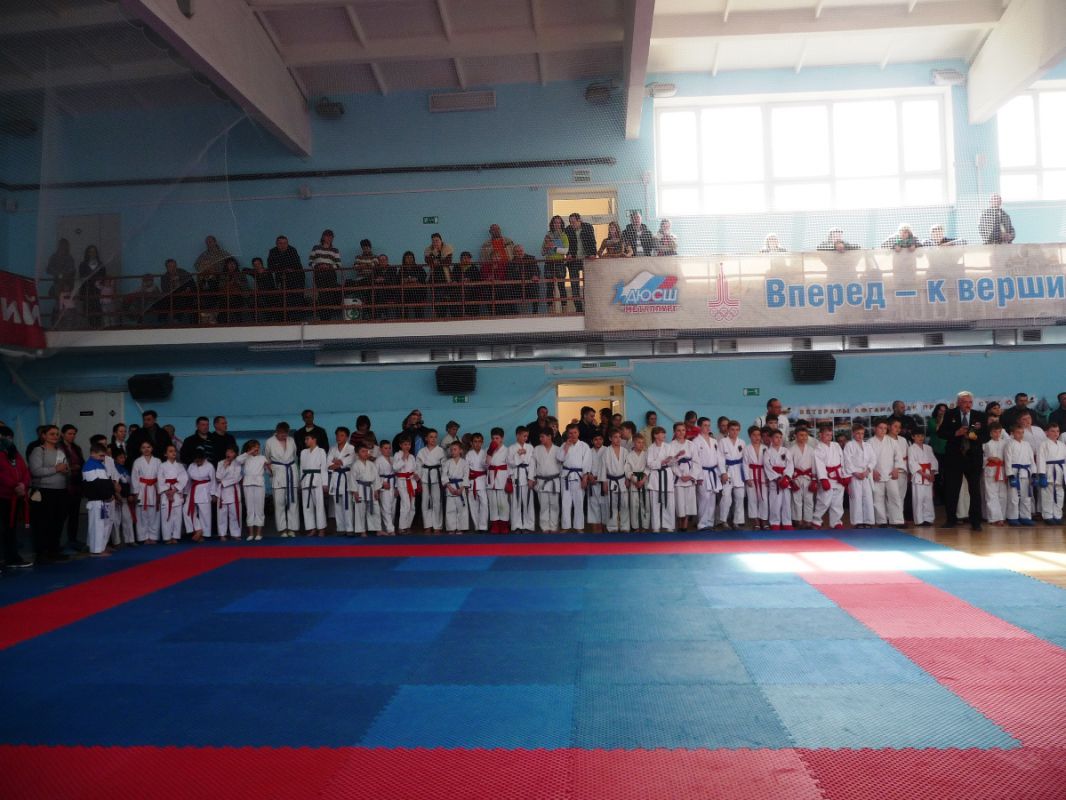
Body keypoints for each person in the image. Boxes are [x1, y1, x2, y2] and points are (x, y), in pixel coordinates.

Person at [938, 390, 987, 531]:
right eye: (965, 402)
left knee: (975, 490)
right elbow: (940, 433)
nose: (968, 405)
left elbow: (986, 436)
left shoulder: (979, 416)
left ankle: (975, 521)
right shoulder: (950, 414)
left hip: (973, 457)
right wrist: (956, 433)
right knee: (952, 489)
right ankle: (951, 519)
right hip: (954, 457)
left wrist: (975, 437)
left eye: (970, 402)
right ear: (958, 403)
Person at [0, 425, 33, 570]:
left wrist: (23, 485)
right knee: (3, 529)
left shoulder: (15, 453)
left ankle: (12, 558)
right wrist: (14, 485)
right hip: (3, 495)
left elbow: (25, 471)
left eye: (9, 437)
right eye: (3, 437)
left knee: (11, 529)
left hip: (15, 496)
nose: (7, 440)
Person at [265, 422, 300, 537]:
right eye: (281, 434)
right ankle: (282, 529)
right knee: (279, 503)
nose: (283, 436)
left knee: (292, 502)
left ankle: (292, 528)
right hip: (278, 473)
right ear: (277, 431)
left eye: (285, 434)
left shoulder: (291, 440)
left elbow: (294, 456)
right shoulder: (269, 442)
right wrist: (271, 472)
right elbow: (267, 459)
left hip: (290, 471)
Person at [82, 442, 116, 557]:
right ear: (92, 453)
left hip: (103, 500)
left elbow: (107, 483)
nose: (103, 458)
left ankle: (100, 548)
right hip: (96, 500)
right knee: (97, 525)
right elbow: (95, 485)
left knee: (103, 524)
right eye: (101, 455)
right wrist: (107, 495)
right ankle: (96, 550)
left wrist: (110, 494)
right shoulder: (89, 465)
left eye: (104, 456)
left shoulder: (100, 465)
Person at [869, 420, 904, 527]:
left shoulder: (892, 441)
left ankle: (897, 520)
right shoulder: (869, 442)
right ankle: (882, 521)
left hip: (890, 473)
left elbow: (898, 457)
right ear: (875, 428)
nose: (883, 430)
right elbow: (867, 459)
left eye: (885, 428)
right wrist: (872, 471)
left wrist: (896, 468)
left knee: (895, 496)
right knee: (878, 498)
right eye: (880, 428)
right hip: (877, 474)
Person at [812, 425, 847, 529]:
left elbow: (842, 460)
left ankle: (836, 522)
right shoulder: (818, 448)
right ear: (820, 435)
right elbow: (819, 464)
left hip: (838, 476)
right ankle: (816, 520)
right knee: (824, 501)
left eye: (830, 435)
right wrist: (823, 479)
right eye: (827, 435)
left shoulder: (836, 445)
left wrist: (844, 474)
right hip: (827, 477)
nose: (829, 437)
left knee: (837, 502)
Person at [693, 417, 723, 532]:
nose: (707, 427)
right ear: (699, 427)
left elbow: (719, 458)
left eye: (709, 425)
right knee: (703, 498)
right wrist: (698, 476)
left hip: (713, 472)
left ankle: (710, 522)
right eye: (705, 425)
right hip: (703, 472)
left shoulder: (714, 441)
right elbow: (695, 460)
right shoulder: (696, 441)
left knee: (712, 498)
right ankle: (702, 524)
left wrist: (721, 473)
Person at [58, 425, 85, 552]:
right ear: (63, 434)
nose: (72, 436)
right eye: (69, 433)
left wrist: (78, 468)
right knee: (61, 515)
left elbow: (82, 463)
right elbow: (58, 465)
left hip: (76, 483)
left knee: (74, 515)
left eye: (74, 434)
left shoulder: (76, 448)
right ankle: (56, 542)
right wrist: (72, 467)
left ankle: (73, 539)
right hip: (64, 484)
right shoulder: (58, 447)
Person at [843, 423, 875, 528]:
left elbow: (873, 459)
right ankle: (857, 522)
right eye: (858, 433)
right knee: (856, 498)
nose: (860, 436)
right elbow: (847, 461)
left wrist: (867, 470)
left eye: (862, 433)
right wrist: (856, 473)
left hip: (866, 474)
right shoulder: (849, 445)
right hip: (854, 475)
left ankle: (868, 521)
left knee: (868, 498)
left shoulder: (868, 446)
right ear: (853, 433)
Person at [646, 426, 676, 532]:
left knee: (669, 502)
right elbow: (649, 464)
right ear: (655, 435)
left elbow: (672, 462)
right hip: (655, 476)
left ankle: (669, 526)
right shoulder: (650, 448)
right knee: (655, 503)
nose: (664, 435)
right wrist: (662, 462)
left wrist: (672, 459)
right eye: (661, 433)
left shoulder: (668, 447)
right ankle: (656, 526)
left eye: (664, 433)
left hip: (667, 474)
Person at [130, 440, 161, 544]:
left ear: (152, 448)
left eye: (148, 447)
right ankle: (143, 537)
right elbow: (134, 478)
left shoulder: (157, 461)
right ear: (140, 449)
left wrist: (160, 491)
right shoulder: (137, 461)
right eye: (143, 447)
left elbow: (161, 477)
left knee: (154, 514)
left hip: (154, 488)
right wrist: (135, 492)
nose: (146, 449)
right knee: (141, 514)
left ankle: (153, 536)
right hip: (142, 489)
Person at [565, 212, 597, 313]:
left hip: (586, 260)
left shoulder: (588, 227)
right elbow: (566, 245)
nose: (572, 224)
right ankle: (579, 309)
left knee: (588, 285)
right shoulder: (568, 230)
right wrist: (568, 254)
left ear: (579, 220)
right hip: (573, 261)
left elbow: (592, 241)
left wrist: (593, 253)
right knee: (574, 286)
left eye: (573, 222)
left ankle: (589, 308)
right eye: (570, 222)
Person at [1004, 424, 1036, 526]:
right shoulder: (1009, 444)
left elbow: (1032, 460)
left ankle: (1025, 517)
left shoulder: (1027, 444)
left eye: (1022, 432)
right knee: (1013, 497)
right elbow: (1007, 461)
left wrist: (1034, 473)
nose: (1021, 435)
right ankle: (1012, 517)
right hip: (1014, 472)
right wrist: (1010, 475)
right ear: (1012, 433)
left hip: (1026, 472)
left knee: (1026, 497)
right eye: (1018, 432)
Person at [763, 428, 794, 530]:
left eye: (780, 437)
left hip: (785, 479)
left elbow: (790, 465)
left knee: (786, 501)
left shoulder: (786, 450)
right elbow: (767, 466)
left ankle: (787, 522)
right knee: (775, 502)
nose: (779, 439)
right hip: (775, 480)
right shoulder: (767, 452)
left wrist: (786, 477)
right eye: (776, 437)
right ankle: (774, 522)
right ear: (771, 439)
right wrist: (777, 478)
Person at [267, 235, 304, 320]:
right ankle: (283, 320)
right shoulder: (273, 252)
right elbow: (271, 266)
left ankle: (295, 320)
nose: (283, 245)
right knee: (282, 301)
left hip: (295, 281)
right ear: (276, 244)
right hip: (280, 281)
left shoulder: (292, 250)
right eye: (280, 243)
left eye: (285, 243)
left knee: (295, 302)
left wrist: (283, 267)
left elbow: (296, 265)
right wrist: (283, 269)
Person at [327, 427, 355, 537]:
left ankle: (349, 528)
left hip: (346, 477)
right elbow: (328, 464)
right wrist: (338, 463)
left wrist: (338, 462)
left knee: (347, 504)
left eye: (342, 435)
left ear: (347, 437)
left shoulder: (351, 448)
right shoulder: (332, 448)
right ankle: (340, 528)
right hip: (336, 477)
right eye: (337, 435)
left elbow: (349, 461)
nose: (339, 437)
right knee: (337, 504)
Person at [718, 420, 746, 529]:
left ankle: (737, 521)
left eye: (737, 430)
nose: (735, 432)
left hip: (739, 471)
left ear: (739, 430)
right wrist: (723, 473)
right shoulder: (723, 442)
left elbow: (745, 459)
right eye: (732, 429)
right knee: (726, 497)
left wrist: (746, 474)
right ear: (728, 430)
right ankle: (723, 520)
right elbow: (720, 458)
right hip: (728, 470)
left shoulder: (742, 442)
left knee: (740, 497)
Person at [237, 440, 267, 541]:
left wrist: (269, 467)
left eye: (258, 447)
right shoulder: (245, 457)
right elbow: (238, 460)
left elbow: (269, 469)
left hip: (259, 483)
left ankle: (259, 533)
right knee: (250, 509)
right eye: (254, 447)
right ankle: (250, 533)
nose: (257, 449)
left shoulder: (262, 458)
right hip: (248, 483)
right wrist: (249, 452)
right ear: (249, 448)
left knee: (259, 508)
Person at [350, 441, 382, 537]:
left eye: (367, 451)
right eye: (363, 451)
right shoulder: (355, 465)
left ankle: (377, 529)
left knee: (375, 509)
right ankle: (362, 530)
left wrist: (376, 490)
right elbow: (352, 479)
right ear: (357, 453)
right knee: (360, 510)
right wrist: (355, 492)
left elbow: (376, 478)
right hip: (360, 489)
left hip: (371, 488)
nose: (366, 453)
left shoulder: (371, 464)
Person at [417, 428, 446, 534]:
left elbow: (444, 466)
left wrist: (443, 479)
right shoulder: (421, 451)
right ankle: (427, 525)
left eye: (435, 437)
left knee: (437, 502)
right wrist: (418, 476)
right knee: (425, 502)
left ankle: (437, 525)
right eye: (431, 437)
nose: (433, 439)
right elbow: (418, 465)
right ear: (426, 438)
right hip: (425, 478)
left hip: (437, 478)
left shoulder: (440, 450)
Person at [508, 426, 536, 534]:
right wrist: (518, 454)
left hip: (527, 476)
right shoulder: (511, 448)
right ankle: (516, 526)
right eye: (524, 436)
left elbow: (532, 464)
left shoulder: (530, 447)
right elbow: (510, 463)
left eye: (527, 436)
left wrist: (531, 478)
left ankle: (529, 525)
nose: (526, 438)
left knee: (528, 502)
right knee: (516, 503)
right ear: (517, 435)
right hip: (516, 477)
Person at [185, 447, 216, 542]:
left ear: (203, 458)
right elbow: (188, 481)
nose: (197, 462)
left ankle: (204, 534)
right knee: (186, 510)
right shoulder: (191, 466)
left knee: (205, 513)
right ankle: (198, 529)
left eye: (199, 460)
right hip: (193, 490)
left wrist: (213, 494)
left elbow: (213, 481)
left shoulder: (209, 466)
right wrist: (186, 492)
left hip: (205, 490)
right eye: (196, 460)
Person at [671, 422, 697, 531]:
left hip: (689, 476)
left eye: (683, 430)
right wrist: (680, 475)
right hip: (678, 478)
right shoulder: (671, 445)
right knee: (679, 502)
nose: (681, 433)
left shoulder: (691, 444)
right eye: (678, 430)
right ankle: (679, 524)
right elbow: (671, 463)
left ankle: (685, 525)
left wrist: (690, 475)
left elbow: (696, 462)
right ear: (674, 432)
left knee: (688, 503)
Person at [1037, 423, 1065, 524]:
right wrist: (1042, 474)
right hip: (1048, 470)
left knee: (1060, 494)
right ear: (1047, 432)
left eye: (1057, 431)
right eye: (1052, 431)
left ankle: (1058, 515)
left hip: (1060, 471)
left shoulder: (1062, 445)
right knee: (1047, 494)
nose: (1055, 433)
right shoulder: (1043, 444)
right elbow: (1040, 459)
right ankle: (1048, 516)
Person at [158, 444, 187, 544]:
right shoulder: (162, 466)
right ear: (165, 454)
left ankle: (175, 536)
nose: (173, 453)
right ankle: (167, 537)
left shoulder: (180, 466)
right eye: (170, 451)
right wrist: (167, 492)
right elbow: (160, 480)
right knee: (166, 515)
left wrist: (174, 490)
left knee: (177, 516)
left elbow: (184, 479)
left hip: (176, 492)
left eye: (174, 451)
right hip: (166, 493)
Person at [908, 429, 937, 527]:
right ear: (913, 437)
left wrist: (932, 473)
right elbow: (912, 463)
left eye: (922, 436)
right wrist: (923, 474)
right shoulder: (911, 448)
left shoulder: (928, 448)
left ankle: (928, 519)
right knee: (918, 498)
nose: (920, 438)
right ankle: (919, 520)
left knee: (928, 498)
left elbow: (933, 461)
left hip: (929, 474)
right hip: (919, 475)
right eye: (917, 436)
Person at [542, 215, 570, 314]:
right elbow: (542, 252)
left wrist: (553, 247)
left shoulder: (564, 236)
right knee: (549, 287)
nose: (557, 224)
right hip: (549, 263)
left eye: (559, 223)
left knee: (561, 286)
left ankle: (564, 310)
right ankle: (550, 310)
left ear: (561, 224)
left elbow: (565, 251)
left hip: (560, 263)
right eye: (555, 223)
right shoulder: (547, 236)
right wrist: (546, 248)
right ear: (552, 224)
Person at [789, 426, 816, 528]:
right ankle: (798, 520)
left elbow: (814, 465)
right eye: (801, 435)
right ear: (796, 436)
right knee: (796, 499)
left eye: (805, 435)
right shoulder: (791, 450)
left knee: (809, 499)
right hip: (796, 477)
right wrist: (791, 479)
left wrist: (814, 479)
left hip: (808, 477)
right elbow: (789, 465)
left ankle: (808, 520)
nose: (803, 437)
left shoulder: (811, 450)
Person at [214, 446, 243, 541]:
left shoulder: (237, 464)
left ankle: (235, 533)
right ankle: (222, 534)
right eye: (227, 451)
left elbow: (237, 478)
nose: (228, 454)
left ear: (235, 454)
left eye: (231, 452)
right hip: (222, 492)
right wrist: (224, 467)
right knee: (221, 514)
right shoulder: (220, 463)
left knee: (234, 513)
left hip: (233, 491)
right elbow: (218, 477)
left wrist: (224, 482)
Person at [392, 436, 419, 534]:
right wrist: (403, 458)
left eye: (409, 444)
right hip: (402, 482)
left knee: (412, 506)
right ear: (400, 445)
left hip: (411, 481)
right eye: (405, 444)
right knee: (405, 504)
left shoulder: (412, 456)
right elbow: (395, 468)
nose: (407, 446)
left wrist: (416, 474)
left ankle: (408, 526)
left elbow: (414, 469)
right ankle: (401, 527)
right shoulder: (397, 455)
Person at [982, 422, 1008, 526]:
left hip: (1002, 470)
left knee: (1003, 494)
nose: (997, 434)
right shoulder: (986, 444)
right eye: (994, 432)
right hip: (991, 470)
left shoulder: (1005, 443)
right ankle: (994, 518)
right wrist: (990, 458)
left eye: (999, 432)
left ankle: (1002, 516)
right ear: (990, 433)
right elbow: (981, 458)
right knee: (991, 494)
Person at [485, 428, 510, 534]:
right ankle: (495, 525)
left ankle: (504, 525)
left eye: (497, 438)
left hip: (502, 479)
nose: (495, 440)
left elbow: (509, 466)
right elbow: (486, 465)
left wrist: (509, 480)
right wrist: (490, 452)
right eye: (493, 438)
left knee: (503, 503)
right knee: (493, 503)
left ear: (502, 438)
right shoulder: (488, 449)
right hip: (491, 479)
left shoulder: (507, 450)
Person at [744, 426, 768, 529]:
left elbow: (768, 464)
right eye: (754, 435)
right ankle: (756, 521)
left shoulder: (765, 448)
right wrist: (747, 478)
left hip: (763, 475)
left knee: (764, 499)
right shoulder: (747, 448)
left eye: (758, 435)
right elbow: (745, 464)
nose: (757, 437)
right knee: (752, 499)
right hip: (751, 474)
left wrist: (768, 477)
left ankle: (764, 520)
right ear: (750, 436)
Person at [465, 432, 489, 533]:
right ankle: (476, 526)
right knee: (473, 505)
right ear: (471, 443)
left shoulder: (485, 453)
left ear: (482, 442)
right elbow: (466, 471)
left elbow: (487, 467)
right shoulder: (468, 454)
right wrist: (466, 484)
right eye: (475, 441)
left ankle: (483, 526)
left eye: (479, 441)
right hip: (472, 481)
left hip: (482, 481)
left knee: (484, 504)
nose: (477, 444)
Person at [625, 433, 650, 532]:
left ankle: (645, 526)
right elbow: (627, 470)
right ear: (634, 443)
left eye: (643, 442)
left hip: (644, 481)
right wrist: (635, 480)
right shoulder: (629, 455)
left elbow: (648, 468)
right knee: (634, 505)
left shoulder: (646, 454)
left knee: (645, 504)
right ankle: (635, 527)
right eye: (639, 442)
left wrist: (642, 480)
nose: (641, 444)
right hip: (634, 481)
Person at [510, 244, 540, 315]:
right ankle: (514, 313)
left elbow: (537, 271)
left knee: (535, 288)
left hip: (530, 285)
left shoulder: (531, 258)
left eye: (521, 251)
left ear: (523, 251)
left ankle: (535, 312)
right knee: (508, 291)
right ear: (514, 253)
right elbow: (510, 275)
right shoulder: (512, 262)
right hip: (518, 286)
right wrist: (520, 281)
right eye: (517, 251)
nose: (519, 253)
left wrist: (535, 276)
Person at [375, 439, 397, 535]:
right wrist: (382, 483)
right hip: (384, 485)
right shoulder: (378, 461)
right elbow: (375, 475)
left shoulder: (393, 459)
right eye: (385, 448)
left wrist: (396, 487)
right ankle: (390, 529)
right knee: (386, 508)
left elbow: (397, 474)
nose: (388, 450)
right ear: (380, 449)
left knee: (393, 508)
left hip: (393, 483)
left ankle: (386, 527)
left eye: (389, 448)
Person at [399, 251, 427, 319]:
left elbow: (424, 277)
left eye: (411, 257)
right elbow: (398, 280)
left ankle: (420, 321)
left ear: (413, 258)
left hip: (417, 293)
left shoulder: (419, 268)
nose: (409, 259)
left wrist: (416, 279)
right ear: (404, 259)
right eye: (407, 257)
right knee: (401, 307)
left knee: (419, 311)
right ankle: (403, 320)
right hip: (405, 294)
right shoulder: (401, 269)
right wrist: (405, 280)